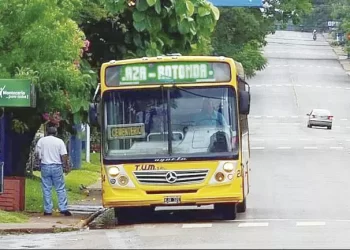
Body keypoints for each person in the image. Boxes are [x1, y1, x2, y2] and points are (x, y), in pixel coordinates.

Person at [35, 126, 72, 216]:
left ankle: (48, 210)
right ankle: (63, 208)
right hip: (56, 166)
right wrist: (66, 166)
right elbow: (64, 155)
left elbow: (37, 154)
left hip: (45, 166)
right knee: (60, 188)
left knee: (46, 188)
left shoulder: (41, 141)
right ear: (56, 133)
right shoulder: (59, 141)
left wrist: (39, 162)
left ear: (47, 132)